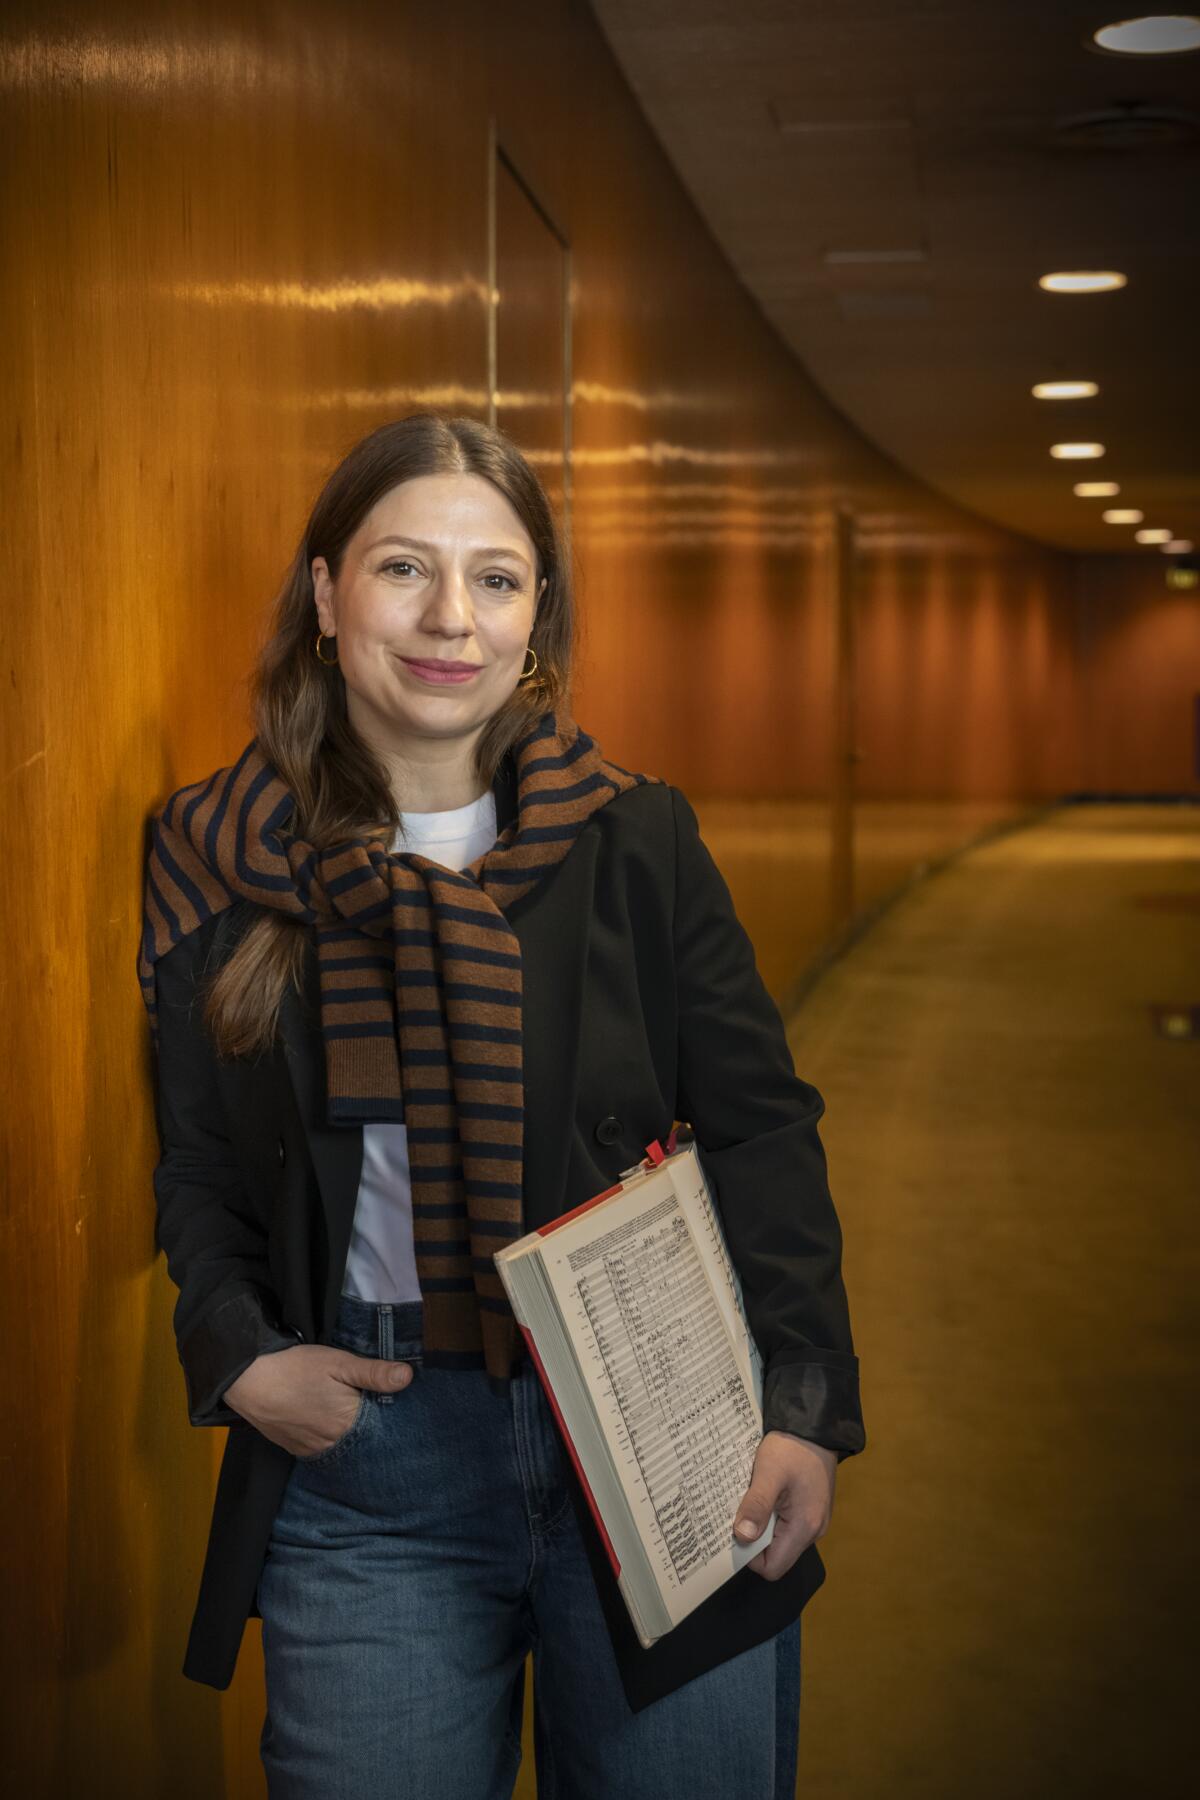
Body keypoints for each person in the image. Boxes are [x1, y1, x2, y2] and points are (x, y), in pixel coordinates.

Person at [138, 413, 866, 1800]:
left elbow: (765, 1129)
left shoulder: (634, 840)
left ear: (538, 615)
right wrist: (240, 1358)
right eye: (404, 567)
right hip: (373, 1467)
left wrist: (803, 1404)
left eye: (497, 578)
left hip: (657, 1430)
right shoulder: (216, 859)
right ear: (325, 591)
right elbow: (198, 1167)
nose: (449, 619)